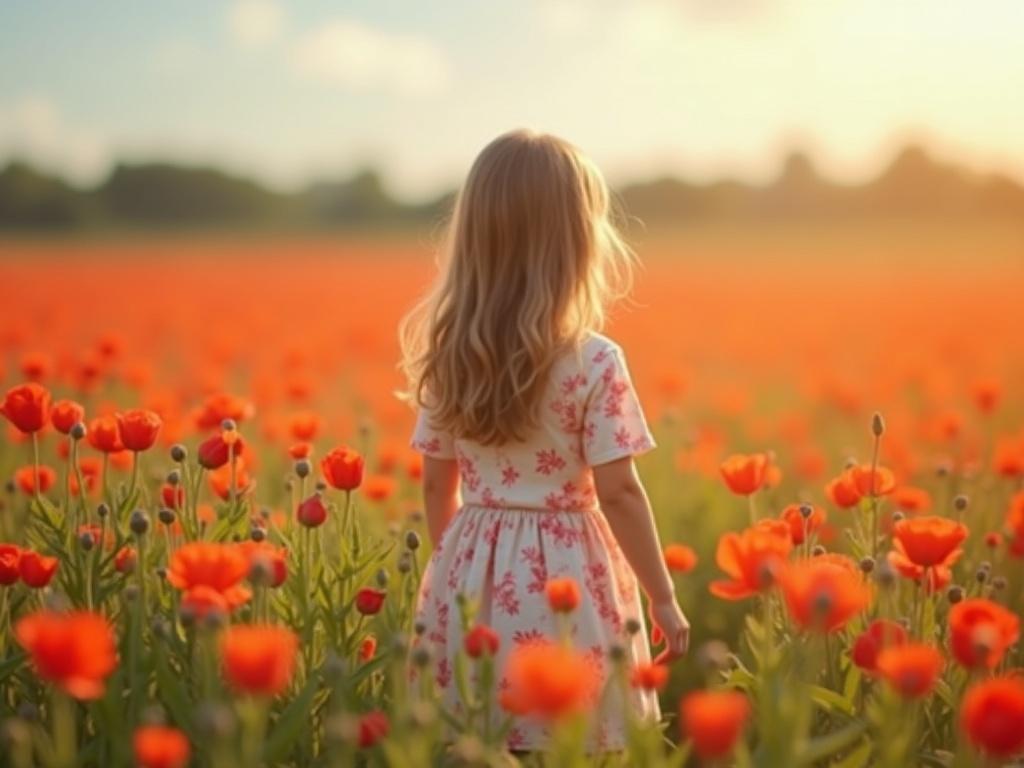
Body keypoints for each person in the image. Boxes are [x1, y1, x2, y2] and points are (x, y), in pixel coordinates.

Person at [399, 129, 689, 751]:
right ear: (580, 242)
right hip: (570, 577)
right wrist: (663, 598)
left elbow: (433, 480)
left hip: (471, 560)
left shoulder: (450, 354)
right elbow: (620, 493)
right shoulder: (595, 361)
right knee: (570, 734)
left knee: (482, 736)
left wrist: (452, 568)